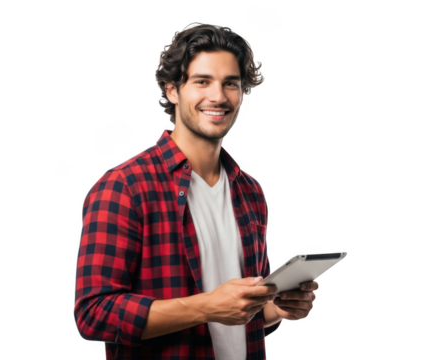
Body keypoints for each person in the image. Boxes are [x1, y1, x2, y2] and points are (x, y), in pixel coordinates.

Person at [73, 22, 318, 360]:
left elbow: (246, 315)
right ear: (172, 90)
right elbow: (94, 314)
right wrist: (205, 307)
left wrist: (279, 308)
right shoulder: (125, 186)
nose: (218, 96)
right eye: (202, 81)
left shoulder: (250, 192)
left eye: (230, 83)